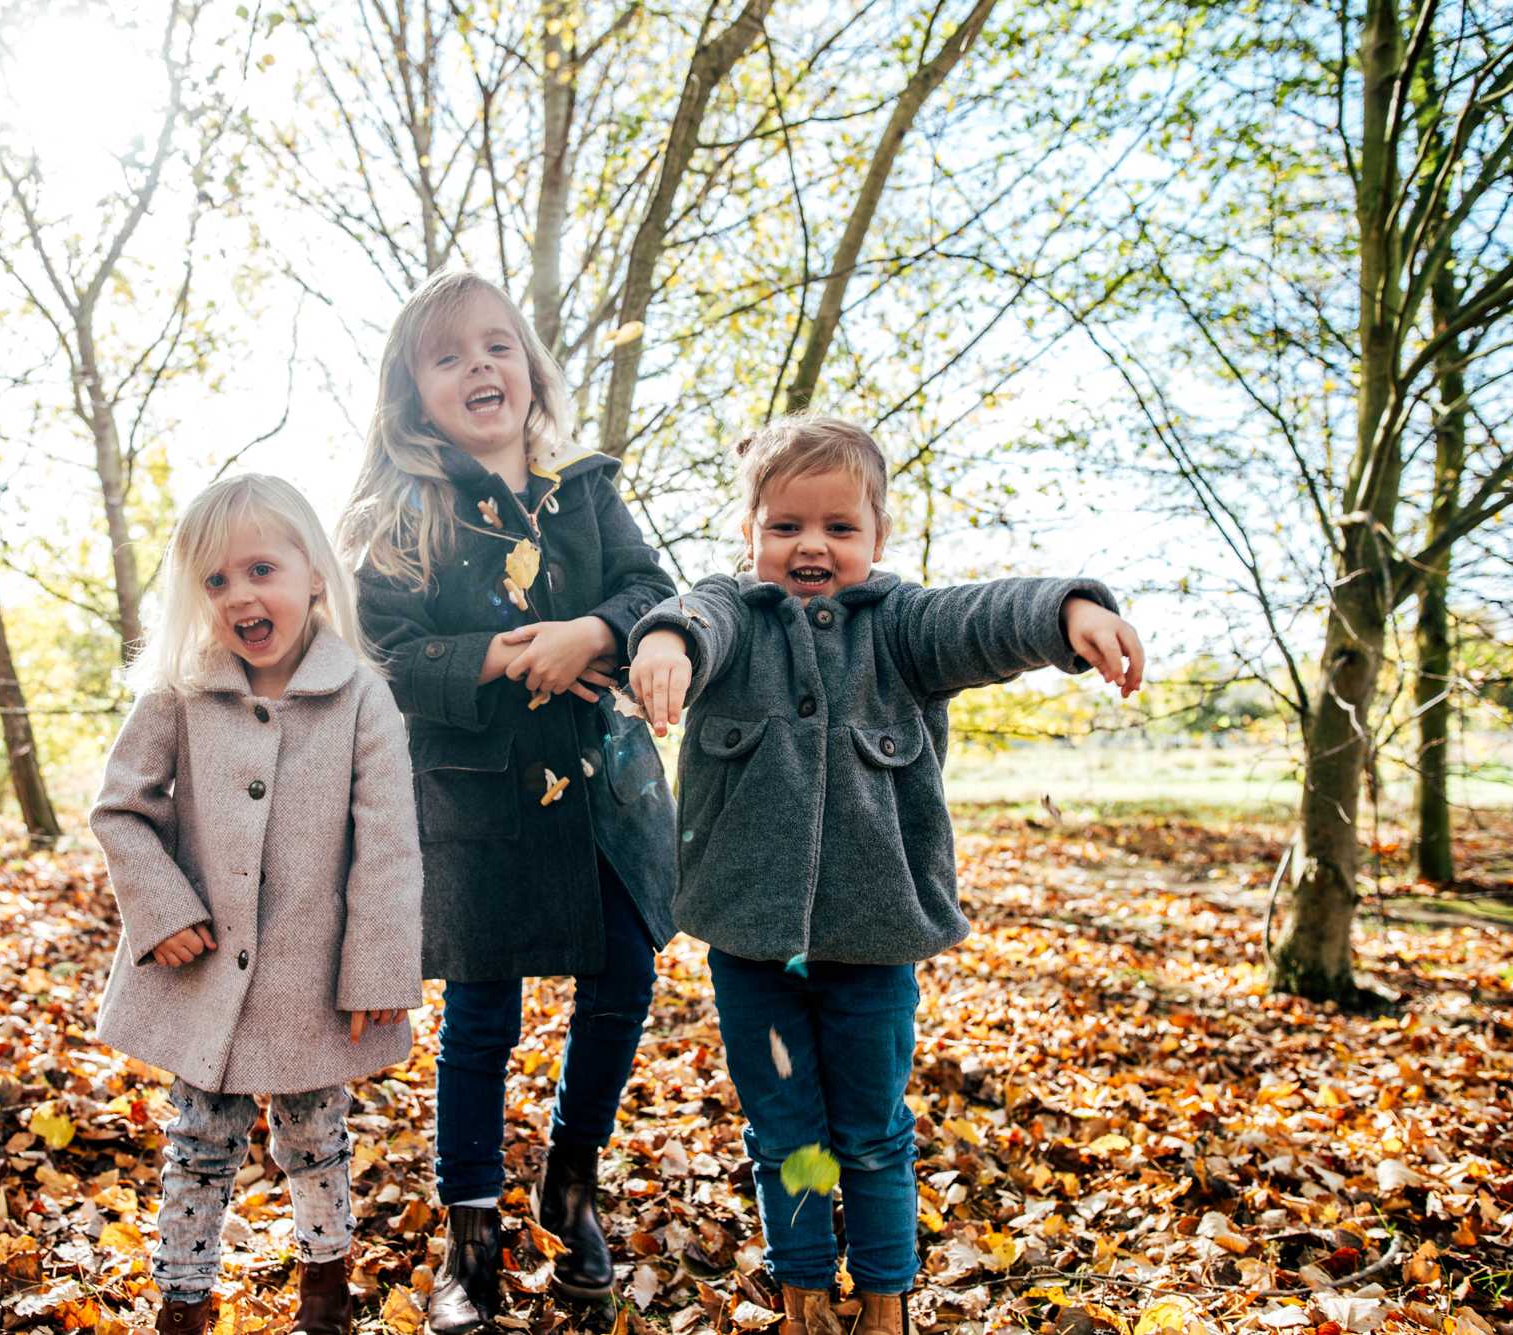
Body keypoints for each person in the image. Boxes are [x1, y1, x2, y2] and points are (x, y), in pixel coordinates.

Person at [626, 417, 1146, 1335]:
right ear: (751, 535)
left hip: (874, 951)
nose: (812, 544)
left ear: (877, 537)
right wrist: (665, 640)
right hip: (754, 950)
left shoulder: (901, 629)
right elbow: (692, 618)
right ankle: (804, 1295)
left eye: (839, 526)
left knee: (869, 1133)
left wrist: (1070, 611)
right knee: (789, 1134)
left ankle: (884, 1300)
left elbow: (984, 617)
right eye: (785, 525)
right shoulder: (734, 619)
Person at [338, 270, 679, 1331]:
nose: (479, 367)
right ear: (412, 395)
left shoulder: (582, 489)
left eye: (497, 347)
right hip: (477, 802)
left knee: (622, 977)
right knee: (479, 1019)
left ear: (529, 370)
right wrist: (491, 655)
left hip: (601, 793)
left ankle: (569, 1179)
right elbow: (384, 658)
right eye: (447, 357)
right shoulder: (401, 515)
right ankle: (470, 1235)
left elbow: (650, 587)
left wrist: (596, 634)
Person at [91, 474, 423, 1335]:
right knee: (198, 1145)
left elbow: (387, 848)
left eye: (261, 569)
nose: (241, 595)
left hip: (310, 985)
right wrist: (160, 908)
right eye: (215, 580)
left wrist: (379, 967)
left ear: (314, 574)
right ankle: (184, 1302)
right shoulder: (179, 691)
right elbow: (121, 807)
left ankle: (325, 1289)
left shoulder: (362, 697)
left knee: (316, 1140)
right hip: (204, 977)